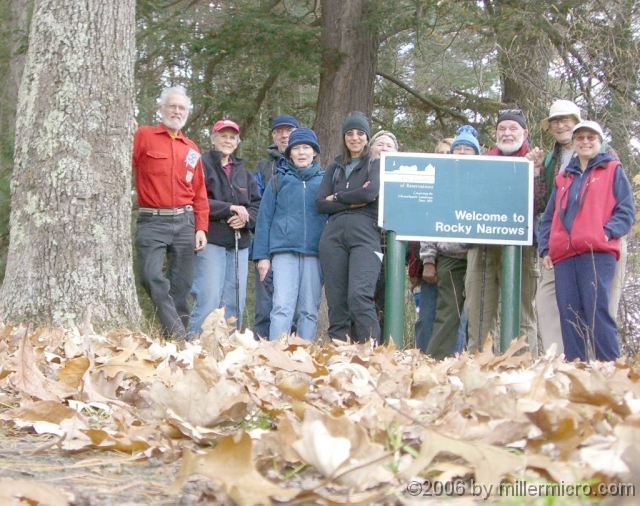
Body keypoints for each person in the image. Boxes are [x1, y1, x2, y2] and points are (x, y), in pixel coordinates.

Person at [538, 121, 634, 361]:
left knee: (597, 311)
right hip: (564, 255)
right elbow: (549, 216)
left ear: (600, 142)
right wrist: (545, 248)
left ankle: (610, 369)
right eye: (580, 137)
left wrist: (606, 232)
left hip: (597, 252)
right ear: (574, 141)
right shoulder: (564, 176)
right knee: (569, 313)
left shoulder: (612, 169)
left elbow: (626, 210)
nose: (585, 142)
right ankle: (576, 370)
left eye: (591, 137)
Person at [132, 86, 209, 340]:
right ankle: (179, 336)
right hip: (152, 220)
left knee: (181, 287)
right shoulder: (143, 135)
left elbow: (199, 191)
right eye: (172, 106)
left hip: (186, 222)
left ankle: (175, 346)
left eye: (182, 108)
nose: (177, 111)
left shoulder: (191, 148)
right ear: (161, 109)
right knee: (150, 275)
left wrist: (201, 227)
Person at [465, 109, 538, 355]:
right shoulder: (483, 161)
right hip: (483, 248)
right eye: (502, 129)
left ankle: (524, 373)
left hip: (523, 248)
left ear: (524, 132)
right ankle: (478, 371)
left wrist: (535, 175)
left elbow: (544, 203)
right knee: (478, 315)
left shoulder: (536, 161)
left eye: (513, 129)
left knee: (521, 315)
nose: (507, 133)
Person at [253, 128, 326, 341]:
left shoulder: (325, 182)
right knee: (282, 306)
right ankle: (277, 355)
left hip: (314, 254)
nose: (301, 153)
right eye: (296, 148)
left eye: (306, 148)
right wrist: (262, 257)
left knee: (309, 310)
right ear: (289, 153)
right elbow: (264, 219)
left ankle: (305, 355)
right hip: (283, 253)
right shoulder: (277, 181)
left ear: (314, 152)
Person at [189, 119, 261, 335]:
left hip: (239, 244)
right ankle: (196, 348)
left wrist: (245, 219)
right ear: (214, 139)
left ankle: (229, 351)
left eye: (232, 137)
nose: (227, 141)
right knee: (208, 298)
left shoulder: (244, 174)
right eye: (223, 136)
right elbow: (195, 200)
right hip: (211, 240)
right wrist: (230, 208)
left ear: (237, 142)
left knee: (234, 303)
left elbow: (257, 206)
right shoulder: (201, 165)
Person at [317, 112, 382, 342]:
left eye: (360, 133)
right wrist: (353, 199)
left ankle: (373, 353)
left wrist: (338, 197)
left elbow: (370, 193)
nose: (355, 138)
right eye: (350, 133)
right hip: (333, 237)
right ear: (344, 137)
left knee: (359, 296)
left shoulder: (375, 164)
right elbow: (320, 203)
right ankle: (338, 356)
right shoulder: (334, 167)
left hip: (365, 235)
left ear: (367, 137)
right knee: (336, 301)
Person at [421, 126, 480, 359]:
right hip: (448, 257)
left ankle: (479, 361)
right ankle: (435, 362)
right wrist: (428, 259)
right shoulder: (440, 181)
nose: (463, 153)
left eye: (468, 149)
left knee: (480, 314)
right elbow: (429, 222)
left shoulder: (486, 180)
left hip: (478, 256)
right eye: (459, 148)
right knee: (448, 313)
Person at [252, 115, 300, 339]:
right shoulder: (263, 167)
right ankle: (261, 356)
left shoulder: (306, 166)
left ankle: (294, 355)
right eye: (279, 131)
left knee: (297, 309)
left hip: (297, 247)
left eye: (289, 130)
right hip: (267, 245)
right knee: (264, 306)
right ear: (273, 136)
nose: (284, 135)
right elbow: (256, 206)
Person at [413, 137, 455, 351]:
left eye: (449, 153)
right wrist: (427, 260)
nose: (444, 158)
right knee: (426, 317)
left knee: (454, 318)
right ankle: (423, 360)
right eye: (440, 154)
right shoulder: (427, 184)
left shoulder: (464, 184)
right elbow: (425, 224)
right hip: (430, 261)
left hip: (459, 262)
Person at [369, 130, 399, 334]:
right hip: (366, 244)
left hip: (392, 248)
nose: (384, 148)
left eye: (389, 145)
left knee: (388, 299)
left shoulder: (402, 179)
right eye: (380, 144)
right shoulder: (362, 174)